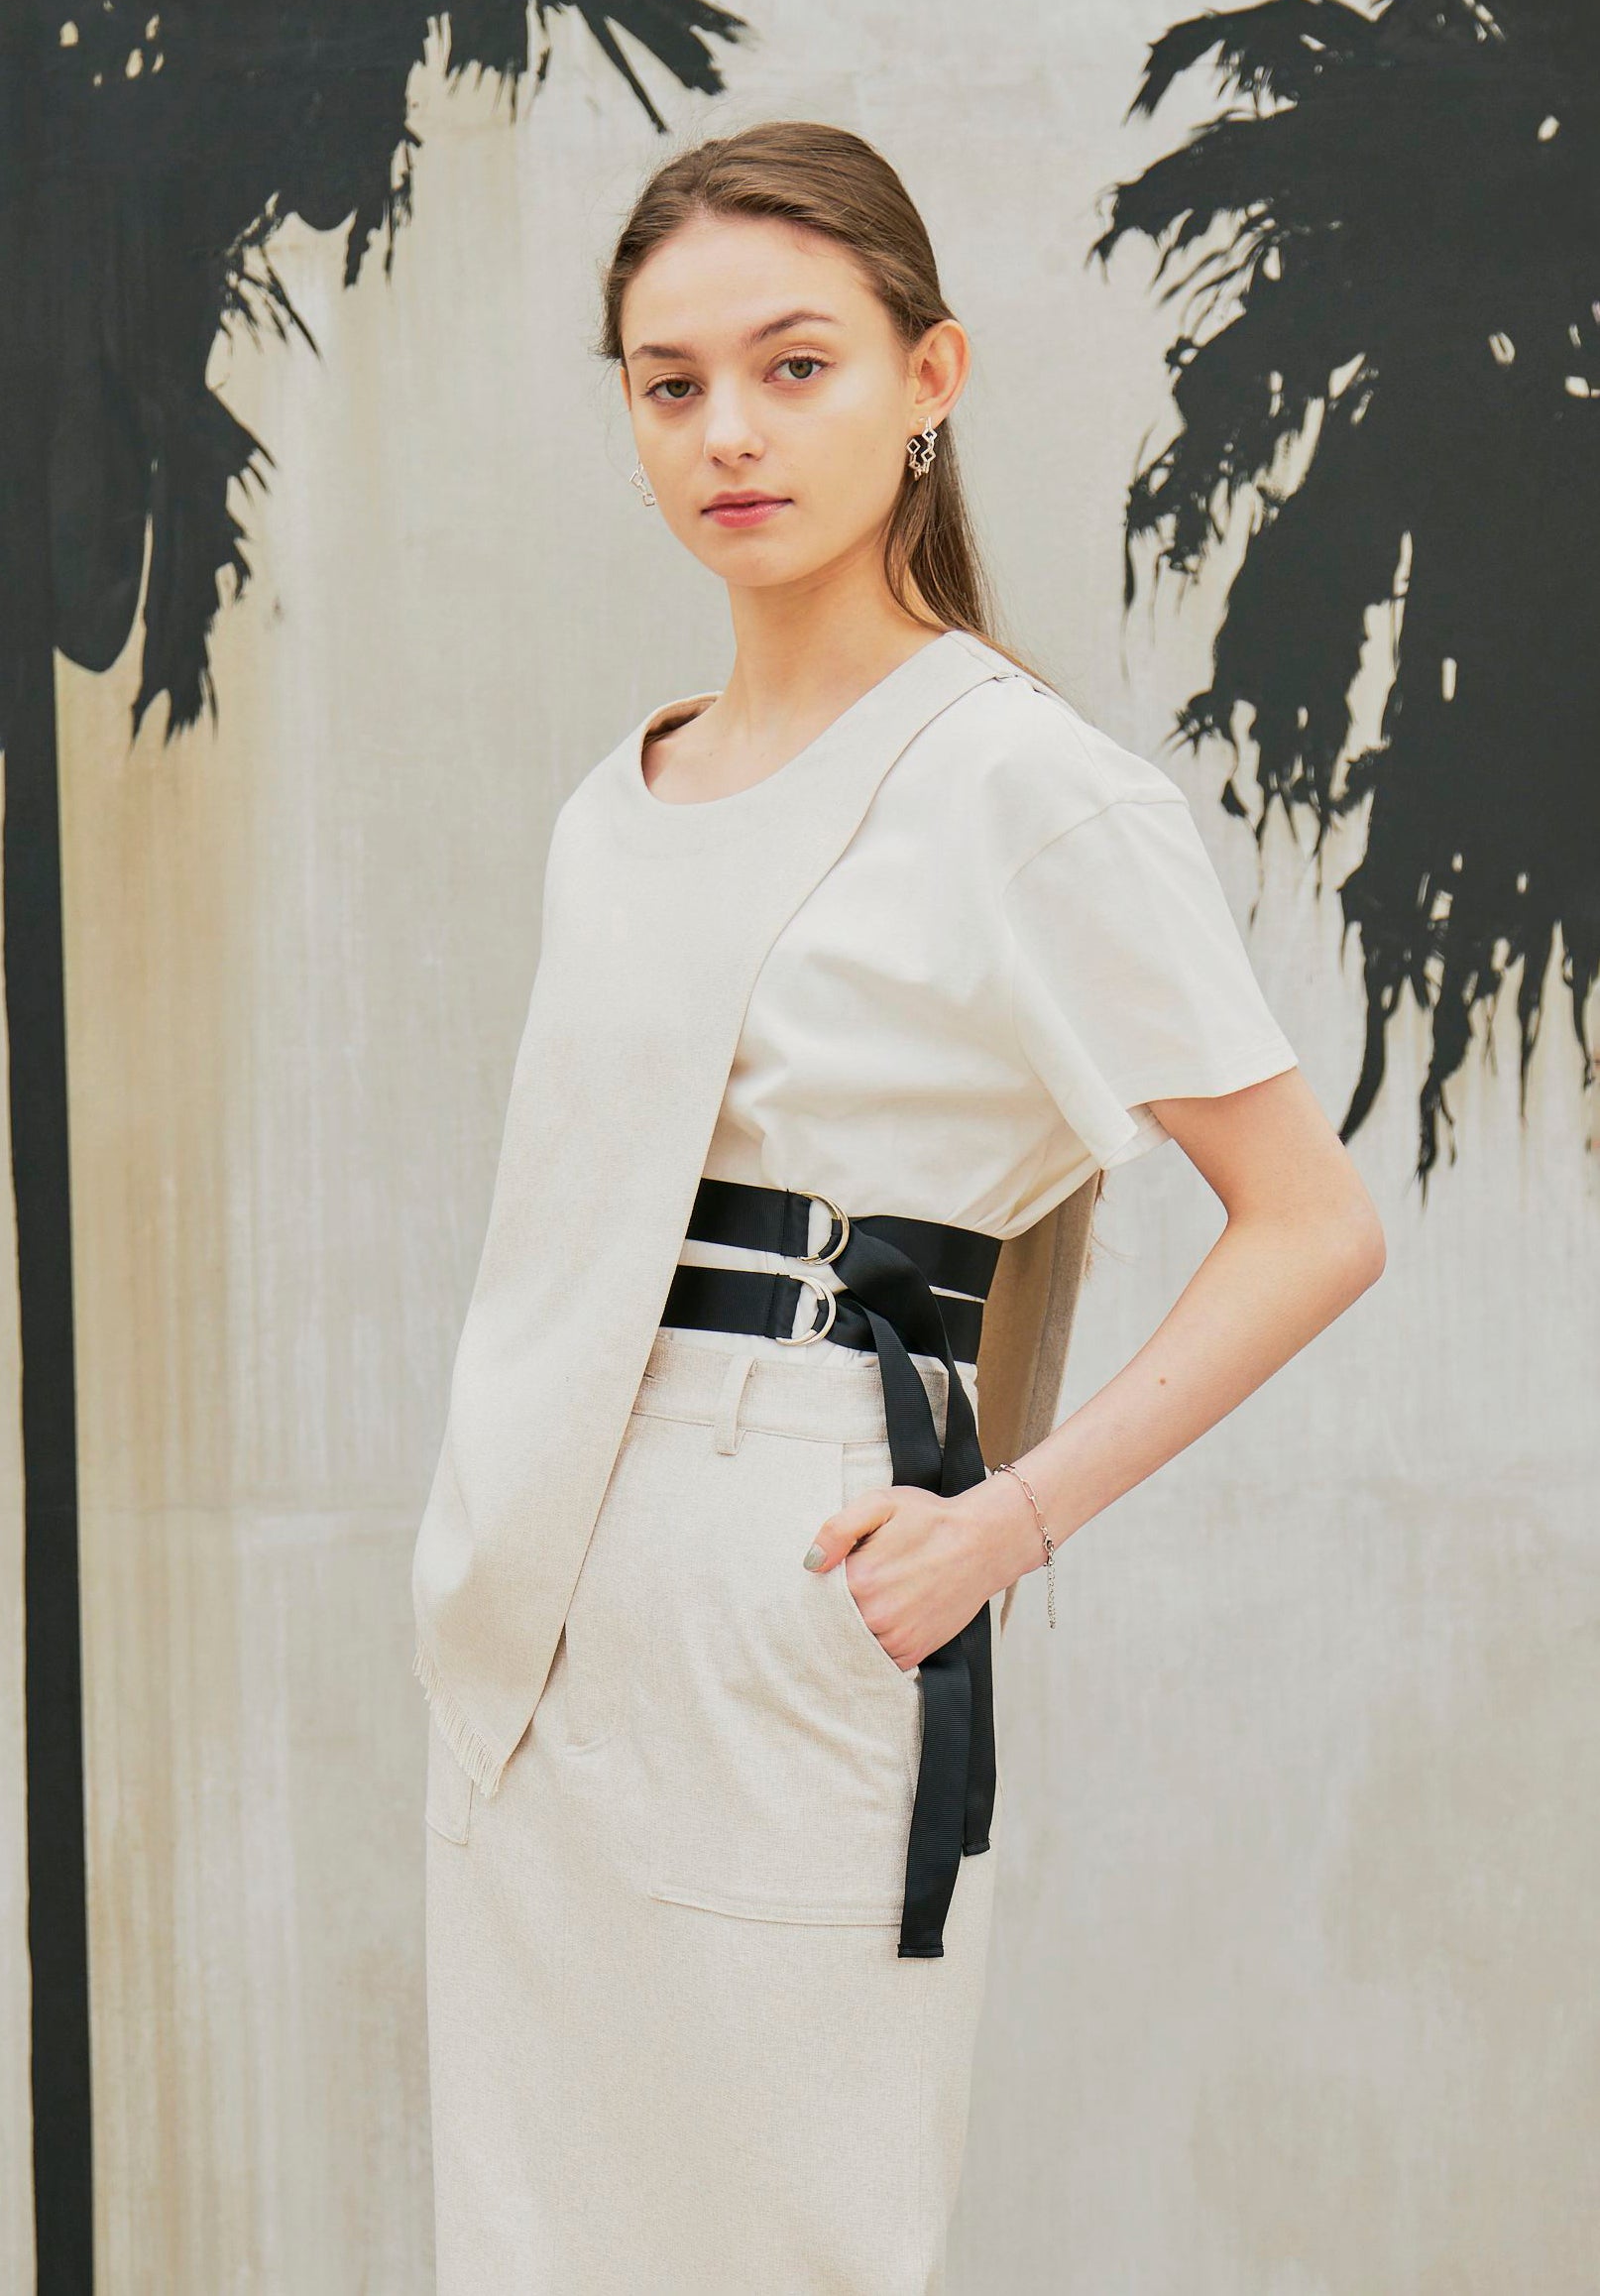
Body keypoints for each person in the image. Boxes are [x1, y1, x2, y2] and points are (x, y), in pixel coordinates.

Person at [413, 119, 1386, 2295]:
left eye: (795, 366)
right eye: (670, 384)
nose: (728, 433)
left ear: (928, 375)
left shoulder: (1018, 785)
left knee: (786, 2239)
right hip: (531, 1616)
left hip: (797, 1573)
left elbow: (1311, 1220)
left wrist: (1000, 1524)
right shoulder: (617, 799)